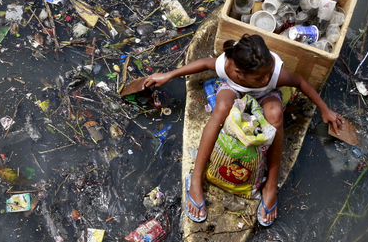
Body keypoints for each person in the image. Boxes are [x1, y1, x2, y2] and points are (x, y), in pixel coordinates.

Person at [144, 34, 343, 226]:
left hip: (265, 95)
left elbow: (300, 82)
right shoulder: (228, 67)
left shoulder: (272, 76)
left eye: (269, 73)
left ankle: (270, 186)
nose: (266, 77)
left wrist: (325, 110)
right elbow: (205, 63)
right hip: (234, 90)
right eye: (260, 77)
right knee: (221, 108)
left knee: (275, 115)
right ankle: (196, 178)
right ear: (239, 73)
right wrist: (168, 75)